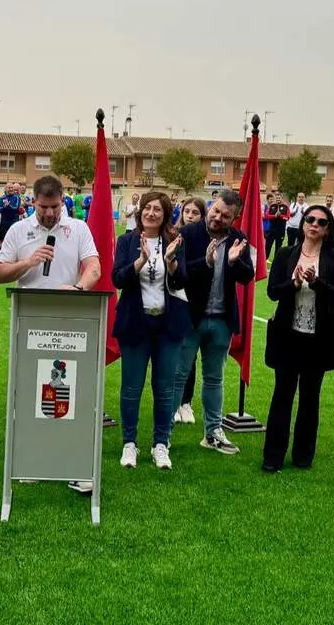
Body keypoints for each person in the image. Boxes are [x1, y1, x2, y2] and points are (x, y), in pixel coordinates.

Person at [0, 175, 101, 493]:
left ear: (62, 200)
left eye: (55, 207)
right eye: (44, 207)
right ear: (34, 202)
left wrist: (79, 288)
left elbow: (94, 267)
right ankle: (33, 459)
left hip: (70, 323)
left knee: (71, 394)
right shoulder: (18, 230)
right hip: (30, 323)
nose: (50, 213)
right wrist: (28, 262)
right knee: (30, 393)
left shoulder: (78, 229)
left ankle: (75, 464)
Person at [262, 205, 334, 473]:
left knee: (310, 397)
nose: (314, 224)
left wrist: (317, 282)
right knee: (282, 395)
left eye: (321, 222)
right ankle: (273, 456)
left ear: (327, 230)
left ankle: (303, 455)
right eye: (310, 219)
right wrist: (295, 285)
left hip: (318, 338)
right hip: (287, 336)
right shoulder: (286, 254)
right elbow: (273, 292)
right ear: (302, 224)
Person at [173, 190, 255, 455]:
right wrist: (207, 261)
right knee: (178, 376)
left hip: (221, 320)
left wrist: (233, 262)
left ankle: (213, 432)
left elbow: (248, 276)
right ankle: (163, 435)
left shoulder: (239, 238)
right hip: (191, 318)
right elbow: (179, 274)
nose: (218, 217)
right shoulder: (189, 233)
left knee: (214, 378)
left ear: (234, 218)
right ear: (210, 206)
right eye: (216, 211)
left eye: (225, 215)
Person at [113, 192, 188, 472]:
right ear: (140, 211)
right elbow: (118, 278)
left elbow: (183, 281)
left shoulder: (175, 241)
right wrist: (140, 260)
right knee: (131, 388)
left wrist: (171, 262)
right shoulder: (127, 241)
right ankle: (129, 443)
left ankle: (161, 444)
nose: (151, 213)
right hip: (135, 322)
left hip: (168, 325)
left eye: (157, 209)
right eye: (147, 208)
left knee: (165, 388)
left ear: (165, 214)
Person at [172, 197, 206, 424]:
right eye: (187, 211)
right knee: (174, 356)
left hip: (195, 304)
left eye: (195, 212)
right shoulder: (173, 236)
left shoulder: (205, 240)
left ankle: (186, 403)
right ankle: (173, 403)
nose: (190, 216)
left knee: (190, 358)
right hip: (175, 302)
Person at [264, 191, 289, 258]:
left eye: (279, 198)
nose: (278, 199)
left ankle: (276, 262)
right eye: (277, 198)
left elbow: (287, 218)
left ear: (281, 198)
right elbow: (266, 216)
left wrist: (280, 216)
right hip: (271, 231)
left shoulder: (285, 207)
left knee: (278, 248)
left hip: (280, 231)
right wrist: (274, 216)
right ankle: (264, 261)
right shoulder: (272, 206)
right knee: (267, 246)